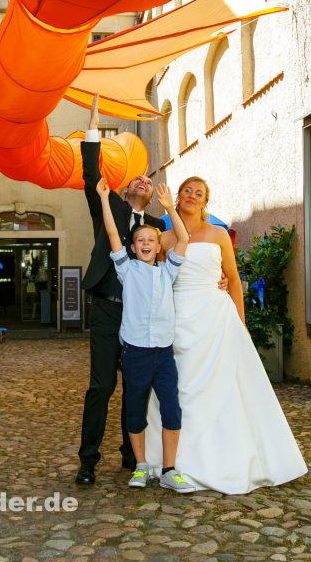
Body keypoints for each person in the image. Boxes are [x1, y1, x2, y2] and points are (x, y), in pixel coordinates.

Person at [145, 176, 308, 494]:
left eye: (199, 193)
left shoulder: (219, 234)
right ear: (177, 197)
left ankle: (225, 459)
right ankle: (172, 461)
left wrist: (241, 323)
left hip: (216, 319)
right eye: (188, 191)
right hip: (179, 320)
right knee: (178, 386)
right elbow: (158, 284)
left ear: (206, 201)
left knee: (227, 386)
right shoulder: (163, 239)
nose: (193, 196)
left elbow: (233, 280)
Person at [76, 94, 166, 486]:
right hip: (109, 310)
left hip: (142, 315)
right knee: (102, 385)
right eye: (138, 177)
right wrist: (94, 126)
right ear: (127, 188)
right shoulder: (108, 207)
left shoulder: (158, 227)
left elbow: (178, 259)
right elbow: (91, 173)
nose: (144, 179)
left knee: (137, 385)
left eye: (149, 178)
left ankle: (133, 454)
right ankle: (88, 461)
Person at [97, 176, 195, 493]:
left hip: (163, 355)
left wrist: (169, 208)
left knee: (172, 409)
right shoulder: (127, 270)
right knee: (135, 409)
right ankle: (141, 466)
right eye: (139, 241)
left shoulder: (169, 271)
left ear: (157, 246)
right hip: (136, 354)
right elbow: (112, 232)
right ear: (133, 247)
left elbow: (183, 239)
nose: (145, 244)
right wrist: (103, 199)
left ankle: (169, 468)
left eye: (150, 240)